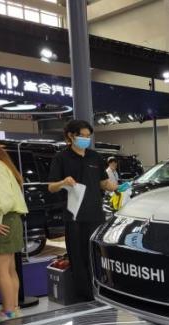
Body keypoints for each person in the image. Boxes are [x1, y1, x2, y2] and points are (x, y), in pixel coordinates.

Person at [48, 120, 118, 302]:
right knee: (78, 257)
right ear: (71, 136)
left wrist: (115, 187)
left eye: (88, 136)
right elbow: (51, 187)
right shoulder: (61, 158)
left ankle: (100, 291)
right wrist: (63, 182)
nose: (86, 139)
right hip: (74, 216)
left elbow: (103, 182)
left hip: (95, 214)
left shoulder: (95, 157)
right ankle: (84, 296)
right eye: (82, 136)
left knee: (95, 254)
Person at [0, 134, 28, 325]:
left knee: (0, 270)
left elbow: (3, 199)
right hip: (10, 219)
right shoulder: (1, 164)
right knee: (9, 269)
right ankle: (12, 309)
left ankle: (8, 311)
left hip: (2, 219)